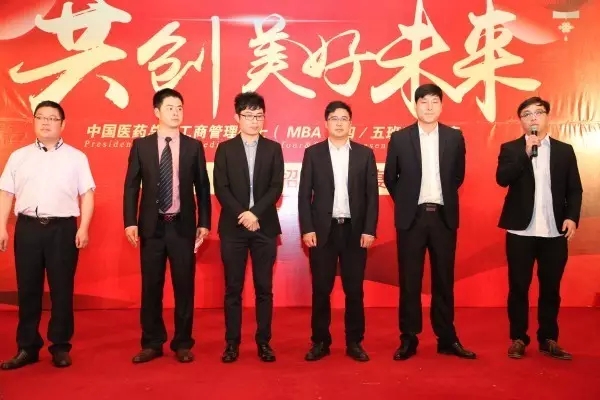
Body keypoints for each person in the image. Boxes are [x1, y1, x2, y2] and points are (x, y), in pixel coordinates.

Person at [0, 100, 95, 369]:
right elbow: (6, 193)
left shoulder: (76, 157)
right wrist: (1, 227)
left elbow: (87, 194)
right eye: (41, 117)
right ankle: (27, 347)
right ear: (34, 122)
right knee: (28, 289)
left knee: (62, 290)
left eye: (52, 118)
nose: (46, 122)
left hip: (62, 229)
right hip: (27, 228)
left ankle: (60, 346)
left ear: (62, 124)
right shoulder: (19, 156)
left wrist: (84, 227)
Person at [384, 83, 476, 361]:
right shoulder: (400, 138)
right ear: (415, 106)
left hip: (443, 218)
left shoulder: (454, 137)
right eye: (423, 101)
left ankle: (447, 338)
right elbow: (390, 178)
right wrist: (408, 201)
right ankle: (409, 338)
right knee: (409, 281)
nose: (429, 106)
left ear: (442, 106)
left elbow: (457, 176)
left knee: (444, 280)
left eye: (434, 101)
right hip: (411, 218)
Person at [123, 88, 211, 364]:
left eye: (179, 108)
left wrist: (204, 222)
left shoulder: (193, 146)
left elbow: (202, 187)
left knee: (184, 286)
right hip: (152, 227)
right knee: (151, 286)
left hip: (182, 227)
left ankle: (183, 343)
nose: (176, 112)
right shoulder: (142, 145)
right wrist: (130, 221)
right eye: (170, 107)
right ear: (157, 112)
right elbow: (131, 187)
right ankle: (152, 342)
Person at [496, 96, 583, 360]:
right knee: (518, 287)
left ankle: (548, 338)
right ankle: (518, 338)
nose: (533, 117)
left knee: (551, 288)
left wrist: (571, 217)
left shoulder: (564, 151)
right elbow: (502, 179)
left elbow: (574, 189)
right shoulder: (511, 149)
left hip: (554, 231)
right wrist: (525, 154)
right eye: (527, 114)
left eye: (538, 112)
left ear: (547, 116)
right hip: (520, 232)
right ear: (521, 120)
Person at [298, 101, 378, 362]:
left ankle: (354, 342)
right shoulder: (313, 153)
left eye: (344, 118)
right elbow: (304, 195)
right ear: (326, 123)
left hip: (355, 232)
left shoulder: (365, 154)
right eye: (334, 118)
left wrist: (369, 229)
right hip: (324, 231)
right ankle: (320, 341)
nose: (339, 123)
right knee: (321, 289)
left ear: (351, 124)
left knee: (354, 290)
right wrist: (307, 228)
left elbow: (372, 197)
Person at [213, 91, 284, 363]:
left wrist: (254, 213)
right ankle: (232, 343)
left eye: (259, 116)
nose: (254, 121)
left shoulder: (273, 149)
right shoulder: (225, 149)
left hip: (264, 227)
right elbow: (221, 188)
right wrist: (243, 214)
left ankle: (264, 342)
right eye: (249, 115)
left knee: (264, 288)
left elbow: (276, 187)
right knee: (233, 289)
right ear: (237, 118)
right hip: (233, 228)